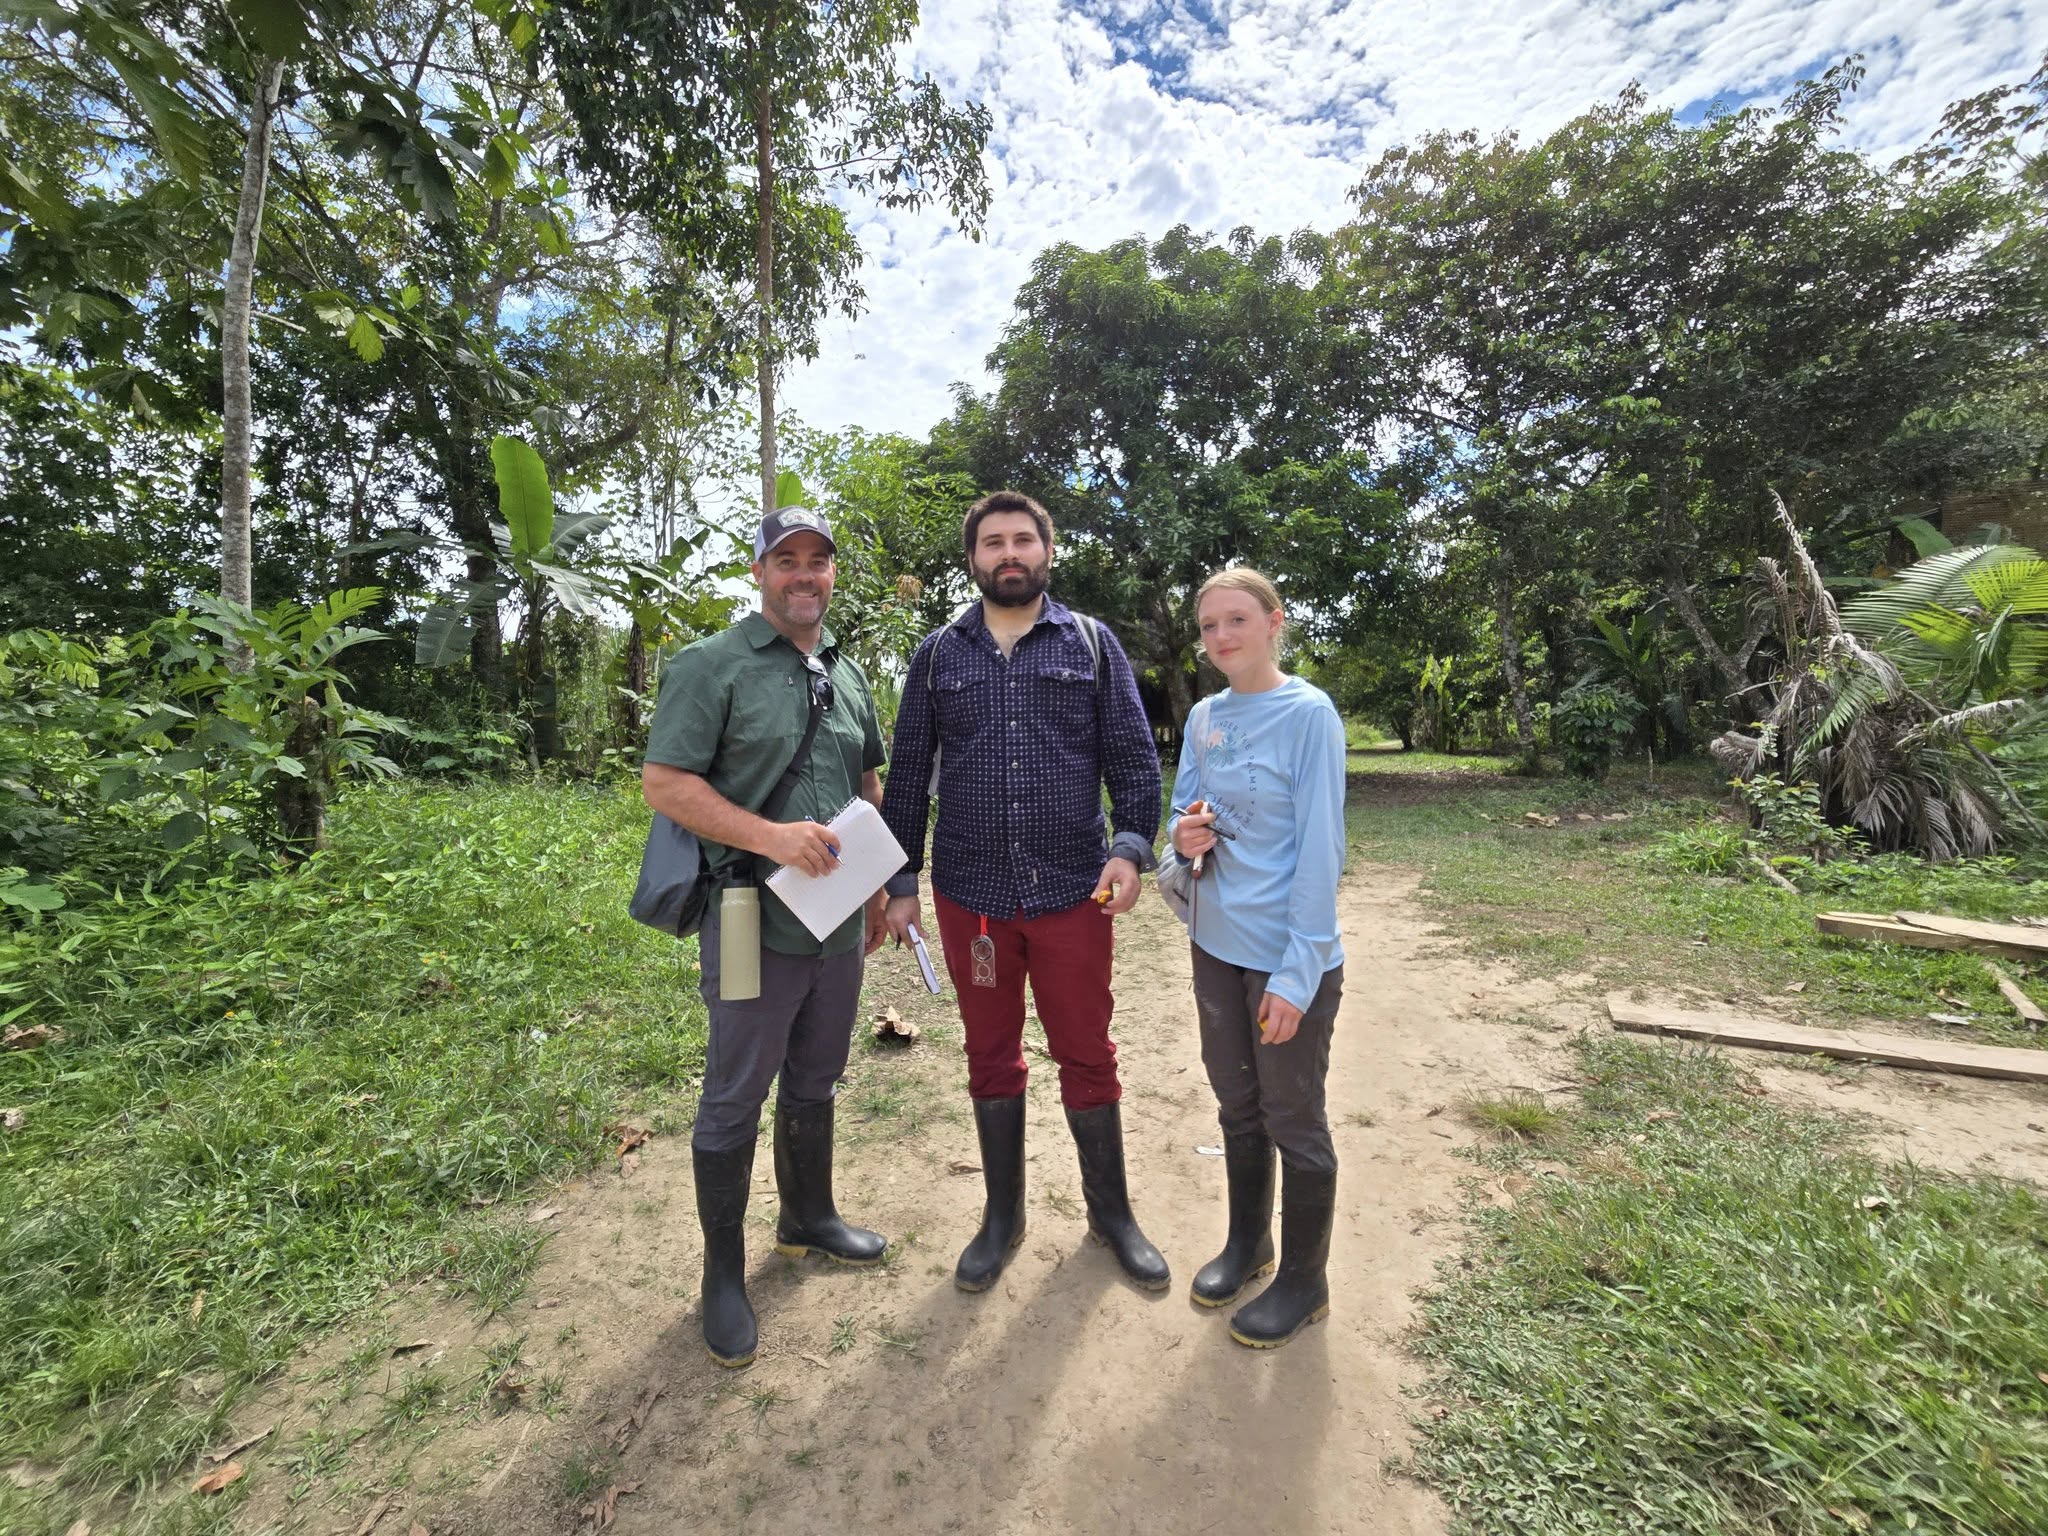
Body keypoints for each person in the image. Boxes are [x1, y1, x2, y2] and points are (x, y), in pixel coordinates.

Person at [880, 490, 1168, 1293]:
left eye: (1023, 540)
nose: (1009, 553)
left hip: (1075, 890)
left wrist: (1130, 847)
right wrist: (900, 881)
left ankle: (1111, 1214)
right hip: (971, 896)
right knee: (990, 1053)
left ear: (1047, 550)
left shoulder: (1092, 644)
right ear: (973, 559)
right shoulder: (939, 655)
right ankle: (1002, 1217)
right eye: (993, 542)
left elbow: (1133, 760)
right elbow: (909, 775)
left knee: (1087, 1049)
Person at [641, 506, 893, 1369]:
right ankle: (722, 1276)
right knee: (735, 1091)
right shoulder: (710, 665)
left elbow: (866, 779)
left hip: (837, 922)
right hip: (751, 917)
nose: (804, 574)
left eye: (818, 560)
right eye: (786, 560)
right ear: (758, 572)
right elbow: (666, 783)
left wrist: (877, 885)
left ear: (832, 574)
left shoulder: (848, 674)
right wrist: (771, 838)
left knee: (818, 1074)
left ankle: (808, 1217)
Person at [1167, 566, 1346, 1348]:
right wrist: (1183, 834)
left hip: (1284, 957)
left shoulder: (1309, 715)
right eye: (1209, 625)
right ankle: (1250, 1246)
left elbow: (1321, 851)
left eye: (1237, 619)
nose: (1221, 636)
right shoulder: (1205, 717)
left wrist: (1297, 977)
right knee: (1237, 1104)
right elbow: (1183, 813)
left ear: (1275, 621)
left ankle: (1306, 1282)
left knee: (1293, 1116)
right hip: (1216, 945)